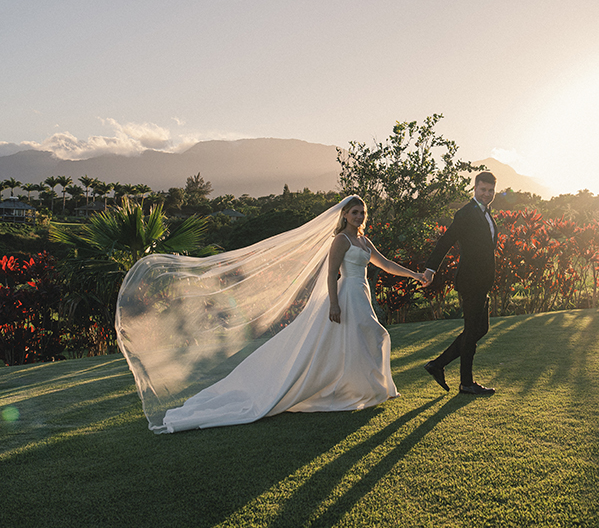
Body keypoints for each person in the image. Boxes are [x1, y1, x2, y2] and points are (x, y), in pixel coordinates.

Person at [117, 196, 426, 433]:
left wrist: (416, 275)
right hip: (347, 295)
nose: (358, 216)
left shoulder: (363, 240)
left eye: (362, 213)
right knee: (372, 334)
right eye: (354, 212)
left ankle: (370, 388)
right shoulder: (341, 240)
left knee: (363, 338)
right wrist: (333, 304)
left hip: (362, 294)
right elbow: (332, 274)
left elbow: (386, 265)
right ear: (344, 215)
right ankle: (368, 387)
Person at [422, 172, 498, 395]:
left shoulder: (486, 213)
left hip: (482, 281)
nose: (487, 194)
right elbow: (446, 240)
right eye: (483, 189)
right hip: (470, 280)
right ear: (474, 189)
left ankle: (438, 364)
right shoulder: (465, 213)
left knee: (479, 329)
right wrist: (431, 268)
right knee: (473, 329)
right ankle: (466, 382)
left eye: (490, 190)